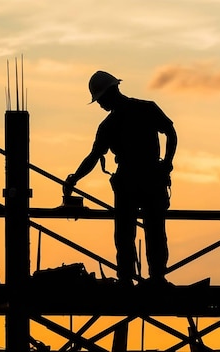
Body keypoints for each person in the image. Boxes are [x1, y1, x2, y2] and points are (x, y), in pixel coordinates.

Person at [63, 70, 177, 287]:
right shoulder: (144, 109)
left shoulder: (112, 123)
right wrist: (167, 163)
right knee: (152, 231)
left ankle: (128, 279)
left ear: (110, 93)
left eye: (100, 100)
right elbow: (171, 132)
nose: (99, 105)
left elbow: (94, 156)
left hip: (132, 181)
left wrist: (73, 180)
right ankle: (155, 279)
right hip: (149, 178)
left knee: (127, 233)